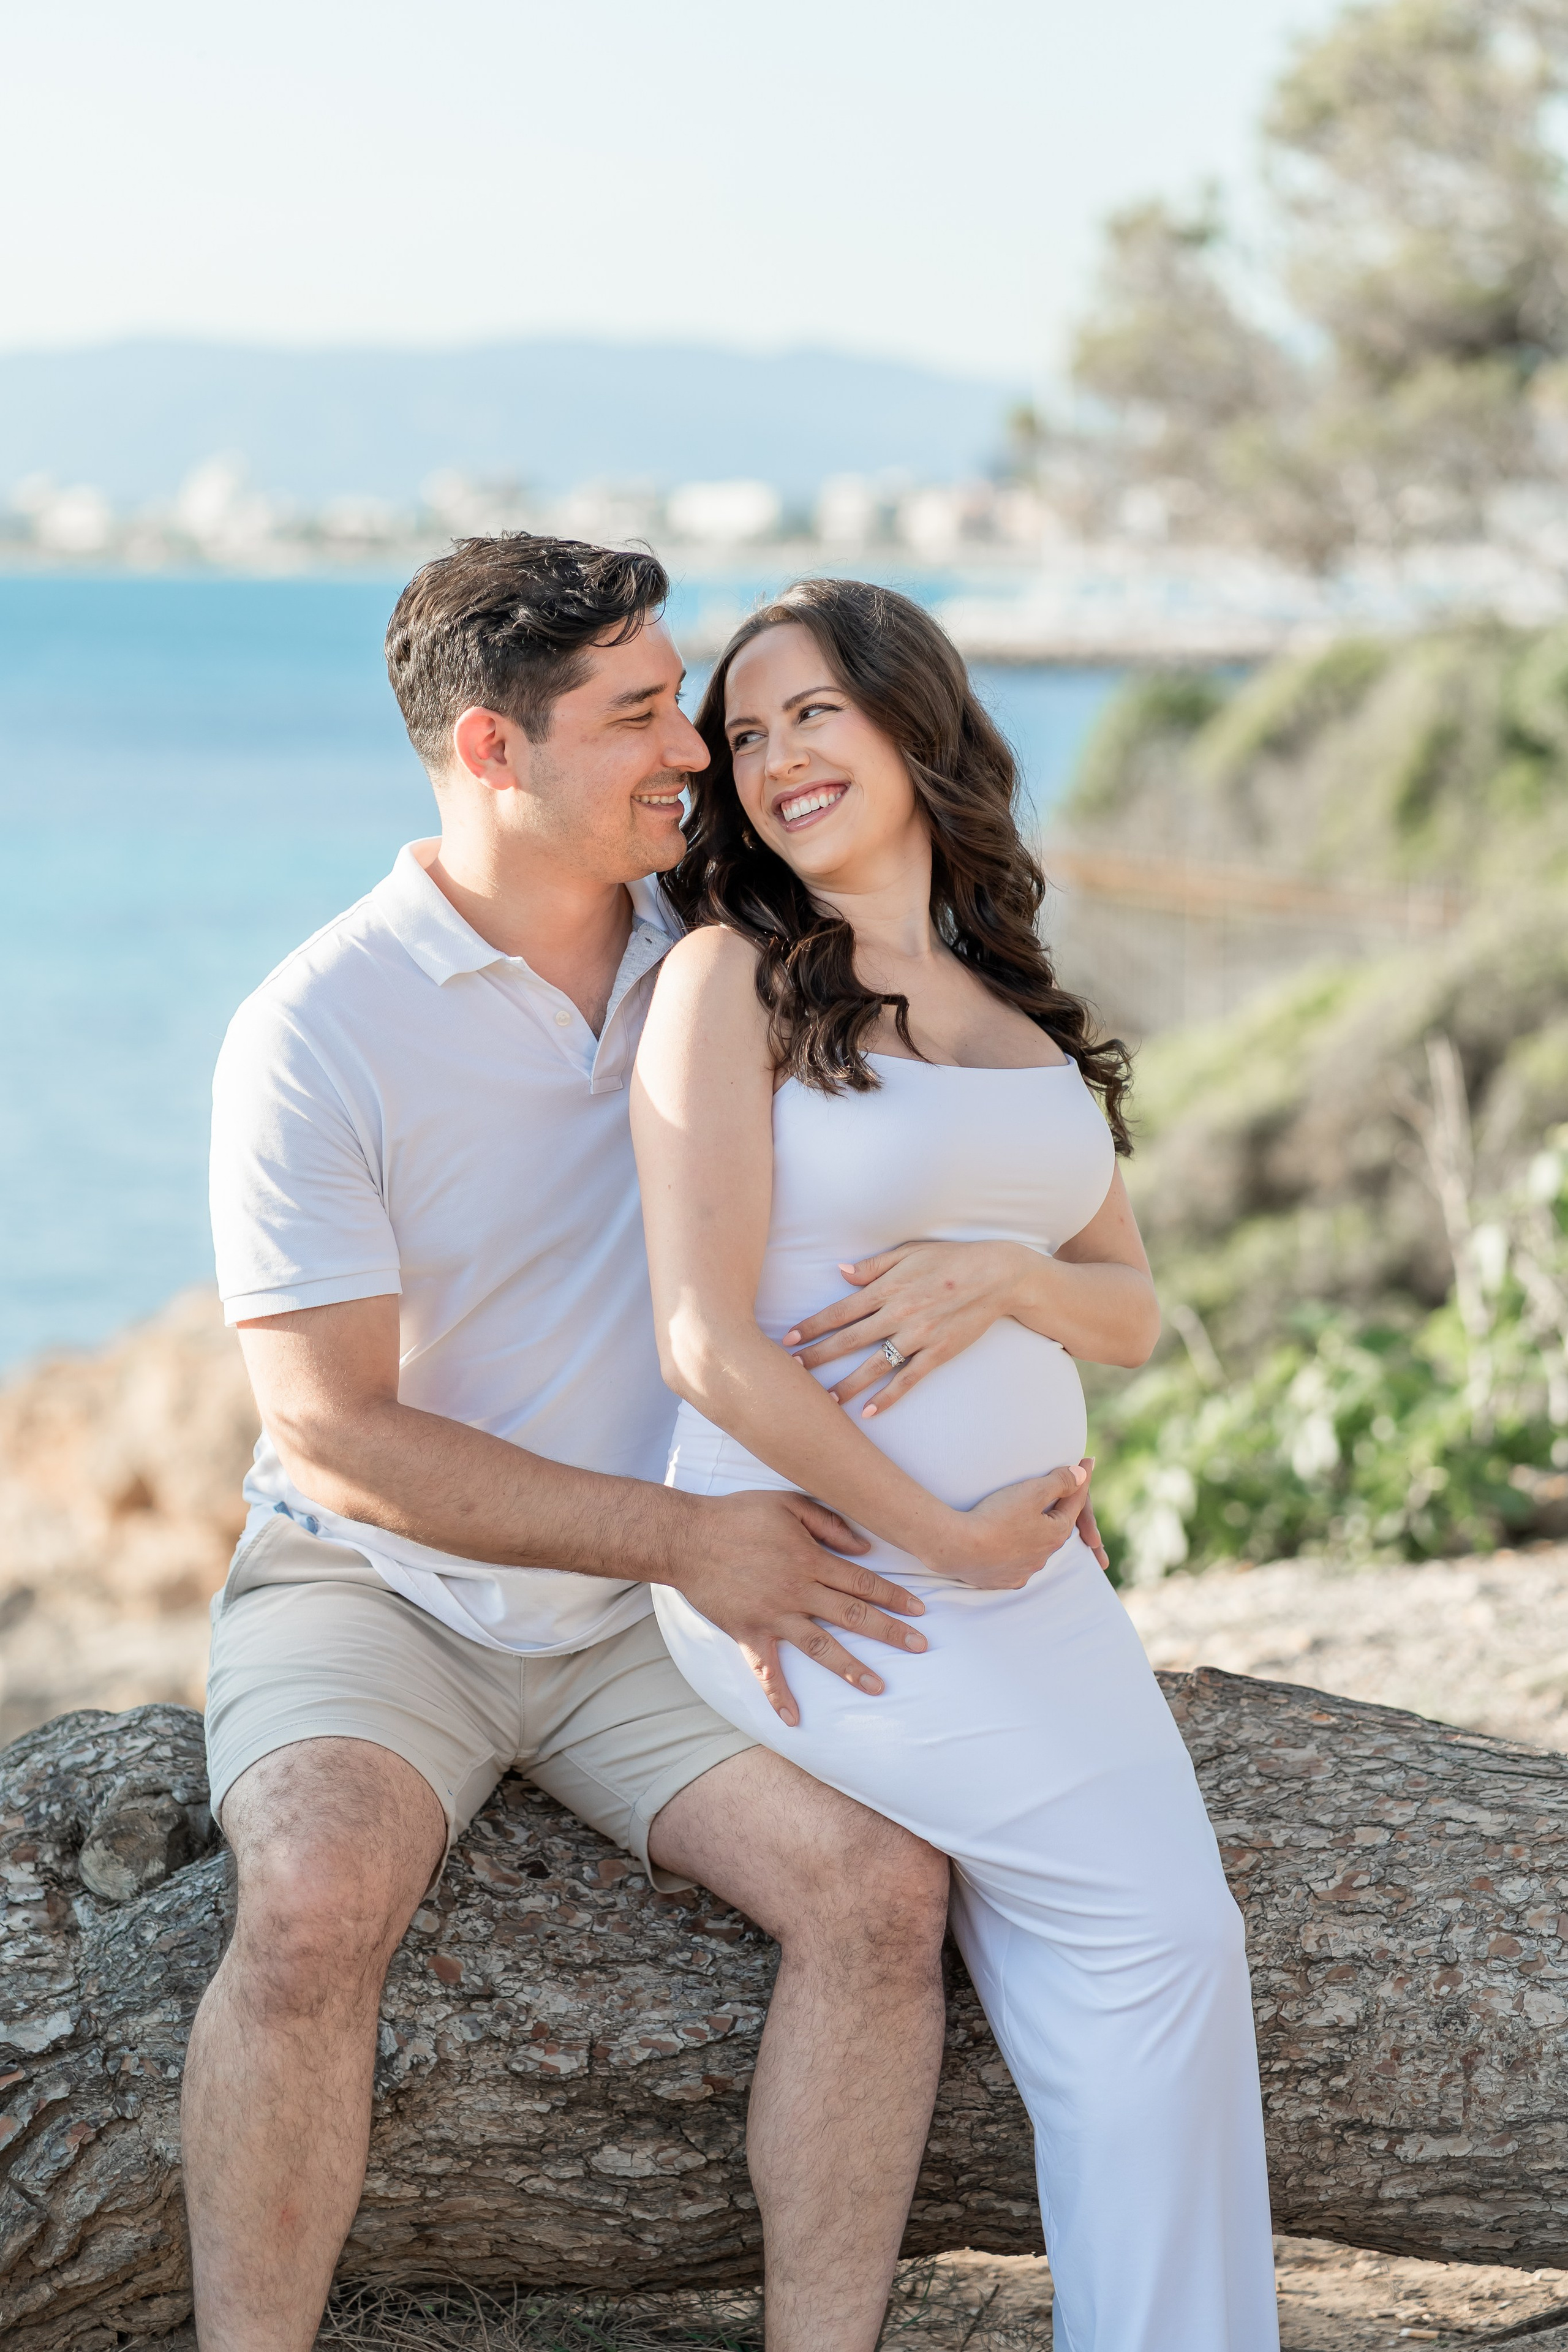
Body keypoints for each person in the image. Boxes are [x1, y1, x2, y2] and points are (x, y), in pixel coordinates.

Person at [184, 535, 1099, 2352]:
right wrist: (691, 1543)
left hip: (657, 1611)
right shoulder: (315, 1029)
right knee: (309, 1899)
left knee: (880, 1891)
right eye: (638, 715)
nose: (693, 749)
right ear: (491, 752)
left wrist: (1012, 1459)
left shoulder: (739, 961)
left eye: (680, 700)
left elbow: (912, 1205)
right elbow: (337, 1435)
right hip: (382, 1586)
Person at [630, 578, 1281, 2352]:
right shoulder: (731, 981)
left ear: (915, 724)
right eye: (743, 736)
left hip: (1031, 1588)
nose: (773, 761)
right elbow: (706, 1344)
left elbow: (1133, 1315)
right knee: (1146, 1944)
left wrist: (1008, 1278)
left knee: (1167, 1959)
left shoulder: (1009, 998)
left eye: (812, 713)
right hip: (837, 1580)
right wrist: (946, 1540)